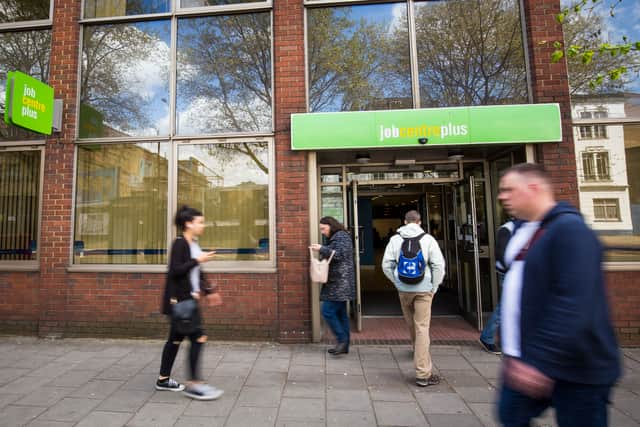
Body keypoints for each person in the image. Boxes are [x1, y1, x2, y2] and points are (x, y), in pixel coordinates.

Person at [496, 163, 620, 427]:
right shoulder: (520, 229)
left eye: (509, 189)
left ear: (534, 188)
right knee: (509, 415)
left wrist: (540, 361)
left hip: (575, 367)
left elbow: (575, 303)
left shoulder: (570, 231)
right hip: (524, 359)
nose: (501, 196)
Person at [158, 206, 224, 400]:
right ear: (188, 223)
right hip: (182, 302)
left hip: (186, 301)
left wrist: (209, 290)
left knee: (175, 340)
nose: (203, 225)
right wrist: (198, 260)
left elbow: (196, 271)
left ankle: (163, 379)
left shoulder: (192, 243)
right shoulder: (180, 243)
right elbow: (175, 271)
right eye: (200, 222)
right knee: (199, 337)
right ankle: (195, 385)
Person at [382, 210, 446, 387]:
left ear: (404, 221)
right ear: (419, 222)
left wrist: (396, 282)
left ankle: (419, 355)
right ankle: (423, 373)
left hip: (404, 289)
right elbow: (438, 266)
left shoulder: (395, 239)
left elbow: (386, 265)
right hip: (424, 289)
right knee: (422, 328)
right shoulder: (428, 239)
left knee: (412, 325)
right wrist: (434, 286)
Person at [310, 216, 355, 355]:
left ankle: (341, 340)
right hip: (339, 283)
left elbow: (339, 255)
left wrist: (321, 248)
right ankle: (345, 345)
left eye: (324, 228)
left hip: (339, 284)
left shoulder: (341, 236)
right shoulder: (339, 237)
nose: (322, 232)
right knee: (341, 314)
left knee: (327, 311)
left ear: (331, 225)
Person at [479, 219, 520, 355]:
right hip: (511, 274)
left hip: (520, 274)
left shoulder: (526, 226)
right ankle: (488, 337)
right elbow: (501, 254)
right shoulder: (507, 229)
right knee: (505, 307)